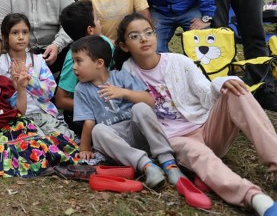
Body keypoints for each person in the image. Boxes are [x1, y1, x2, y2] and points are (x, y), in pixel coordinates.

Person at [117, 13, 277, 215]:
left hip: (207, 128)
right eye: (134, 36)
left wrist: (223, 83)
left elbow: (206, 91)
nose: (143, 39)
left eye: (148, 32)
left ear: (156, 35)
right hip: (176, 140)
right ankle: (254, 198)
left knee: (237, 90)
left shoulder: (178, 61)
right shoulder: (126, 74)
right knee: (201, 155)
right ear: (124, 46)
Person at [0, 32, 79, 177]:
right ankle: (41, 165)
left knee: (36, 145)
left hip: (16, 125)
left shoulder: (2, 82)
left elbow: (20, 111)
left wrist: (21, 88)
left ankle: (48, 165)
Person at [71, 35, 186, 188]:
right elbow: (89, 121)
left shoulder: (122, 77)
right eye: (73, 61)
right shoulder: (81, 89)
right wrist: (85, 148)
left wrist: (124, 93)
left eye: (78, 61)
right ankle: (147, 166)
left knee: (140, 107)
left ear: (99, 63)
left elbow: (150, 101)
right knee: (98, 131)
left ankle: (168, 162)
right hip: (117, 141)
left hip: (138, 131)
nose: (74, 67)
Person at [0, 13, 75, 138]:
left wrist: (29, 78)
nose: (21, 37)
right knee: (36, 142)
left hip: (43, 113)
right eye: (15, 33)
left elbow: (49, 93)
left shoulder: (38, 61)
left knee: (65, 139)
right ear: (5, 36)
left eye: (25, 32)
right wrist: (15, 84)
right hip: (15, 118)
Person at [55, 0, 111, 136]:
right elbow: (61, 100)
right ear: (91, 30)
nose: (100, 22)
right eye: (97, 19)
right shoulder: (73, 60)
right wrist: (93, 106)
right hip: (86, 115)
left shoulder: (106, 42)